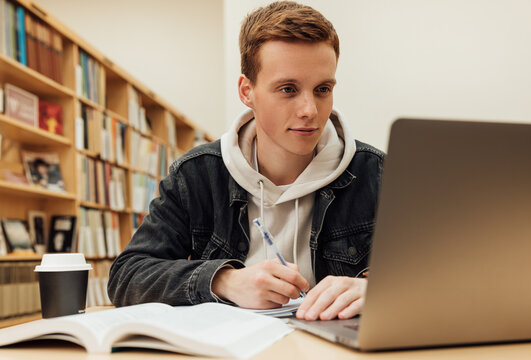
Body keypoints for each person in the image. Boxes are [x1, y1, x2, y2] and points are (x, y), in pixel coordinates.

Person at [108, 1, 384, 321]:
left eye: (322, 89)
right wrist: (224, 280)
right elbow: (127, 276)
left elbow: (442, 272)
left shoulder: (378, 173)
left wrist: (377, 288)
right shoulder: (197, 175)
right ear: (246, 91)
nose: (310, 110)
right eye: (288, 89)